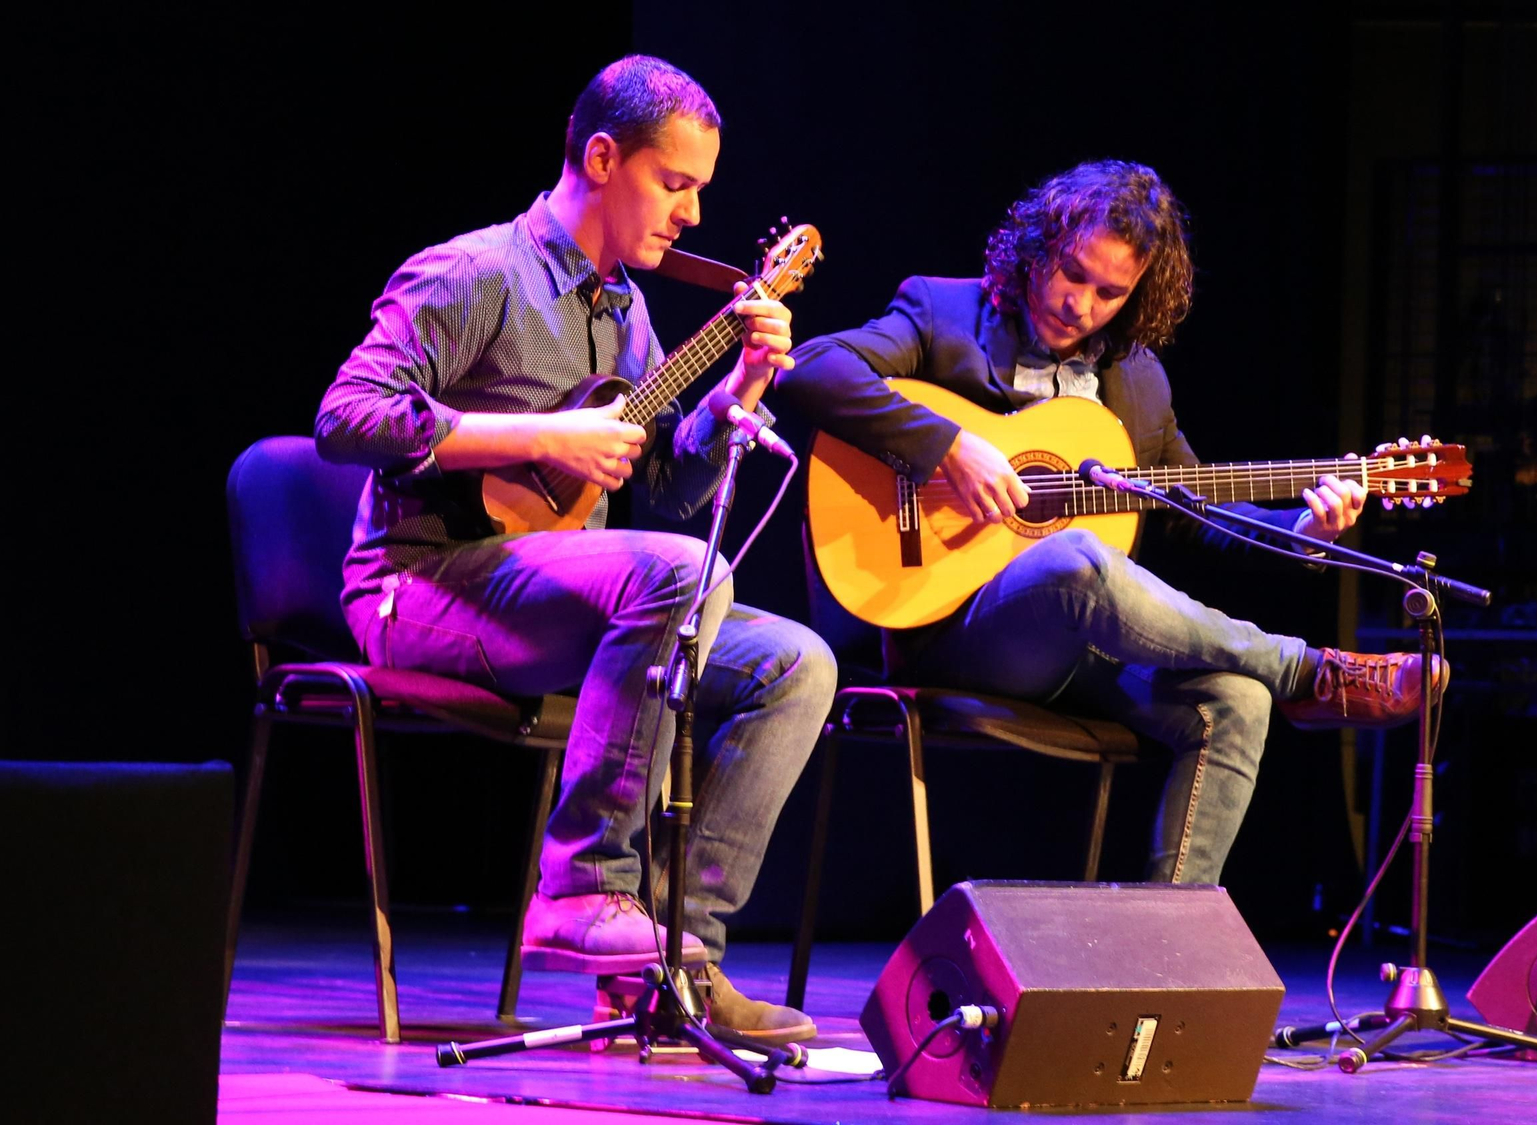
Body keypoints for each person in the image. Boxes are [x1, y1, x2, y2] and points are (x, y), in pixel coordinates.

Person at [314, 55, 832, 1044]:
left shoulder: (623, 311)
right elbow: (346, 417)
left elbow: (664, 498)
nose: (689, 216)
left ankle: (674, 966)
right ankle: (581, 886)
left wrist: (734, 402)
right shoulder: (473, 274)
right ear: (602, 157)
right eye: (673, 184)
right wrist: (536, 437)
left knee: (794, 663)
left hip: (552, 596)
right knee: (681, 577)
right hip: (419, 584)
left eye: (698, 192)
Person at [780, 160, 1445, 886]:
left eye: (1110, 292)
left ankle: (1169, 952)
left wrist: (1304, 531)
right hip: (946, 633)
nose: (1081, 304)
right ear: (1037, 247)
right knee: (1078, 560)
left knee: (1237, 700)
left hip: (1078, 654)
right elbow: (812, 367)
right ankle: (1306, 669)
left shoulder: (1137, 382)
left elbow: (1197, 512)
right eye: (1072, 273)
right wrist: (946, 446)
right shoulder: (943, 315)